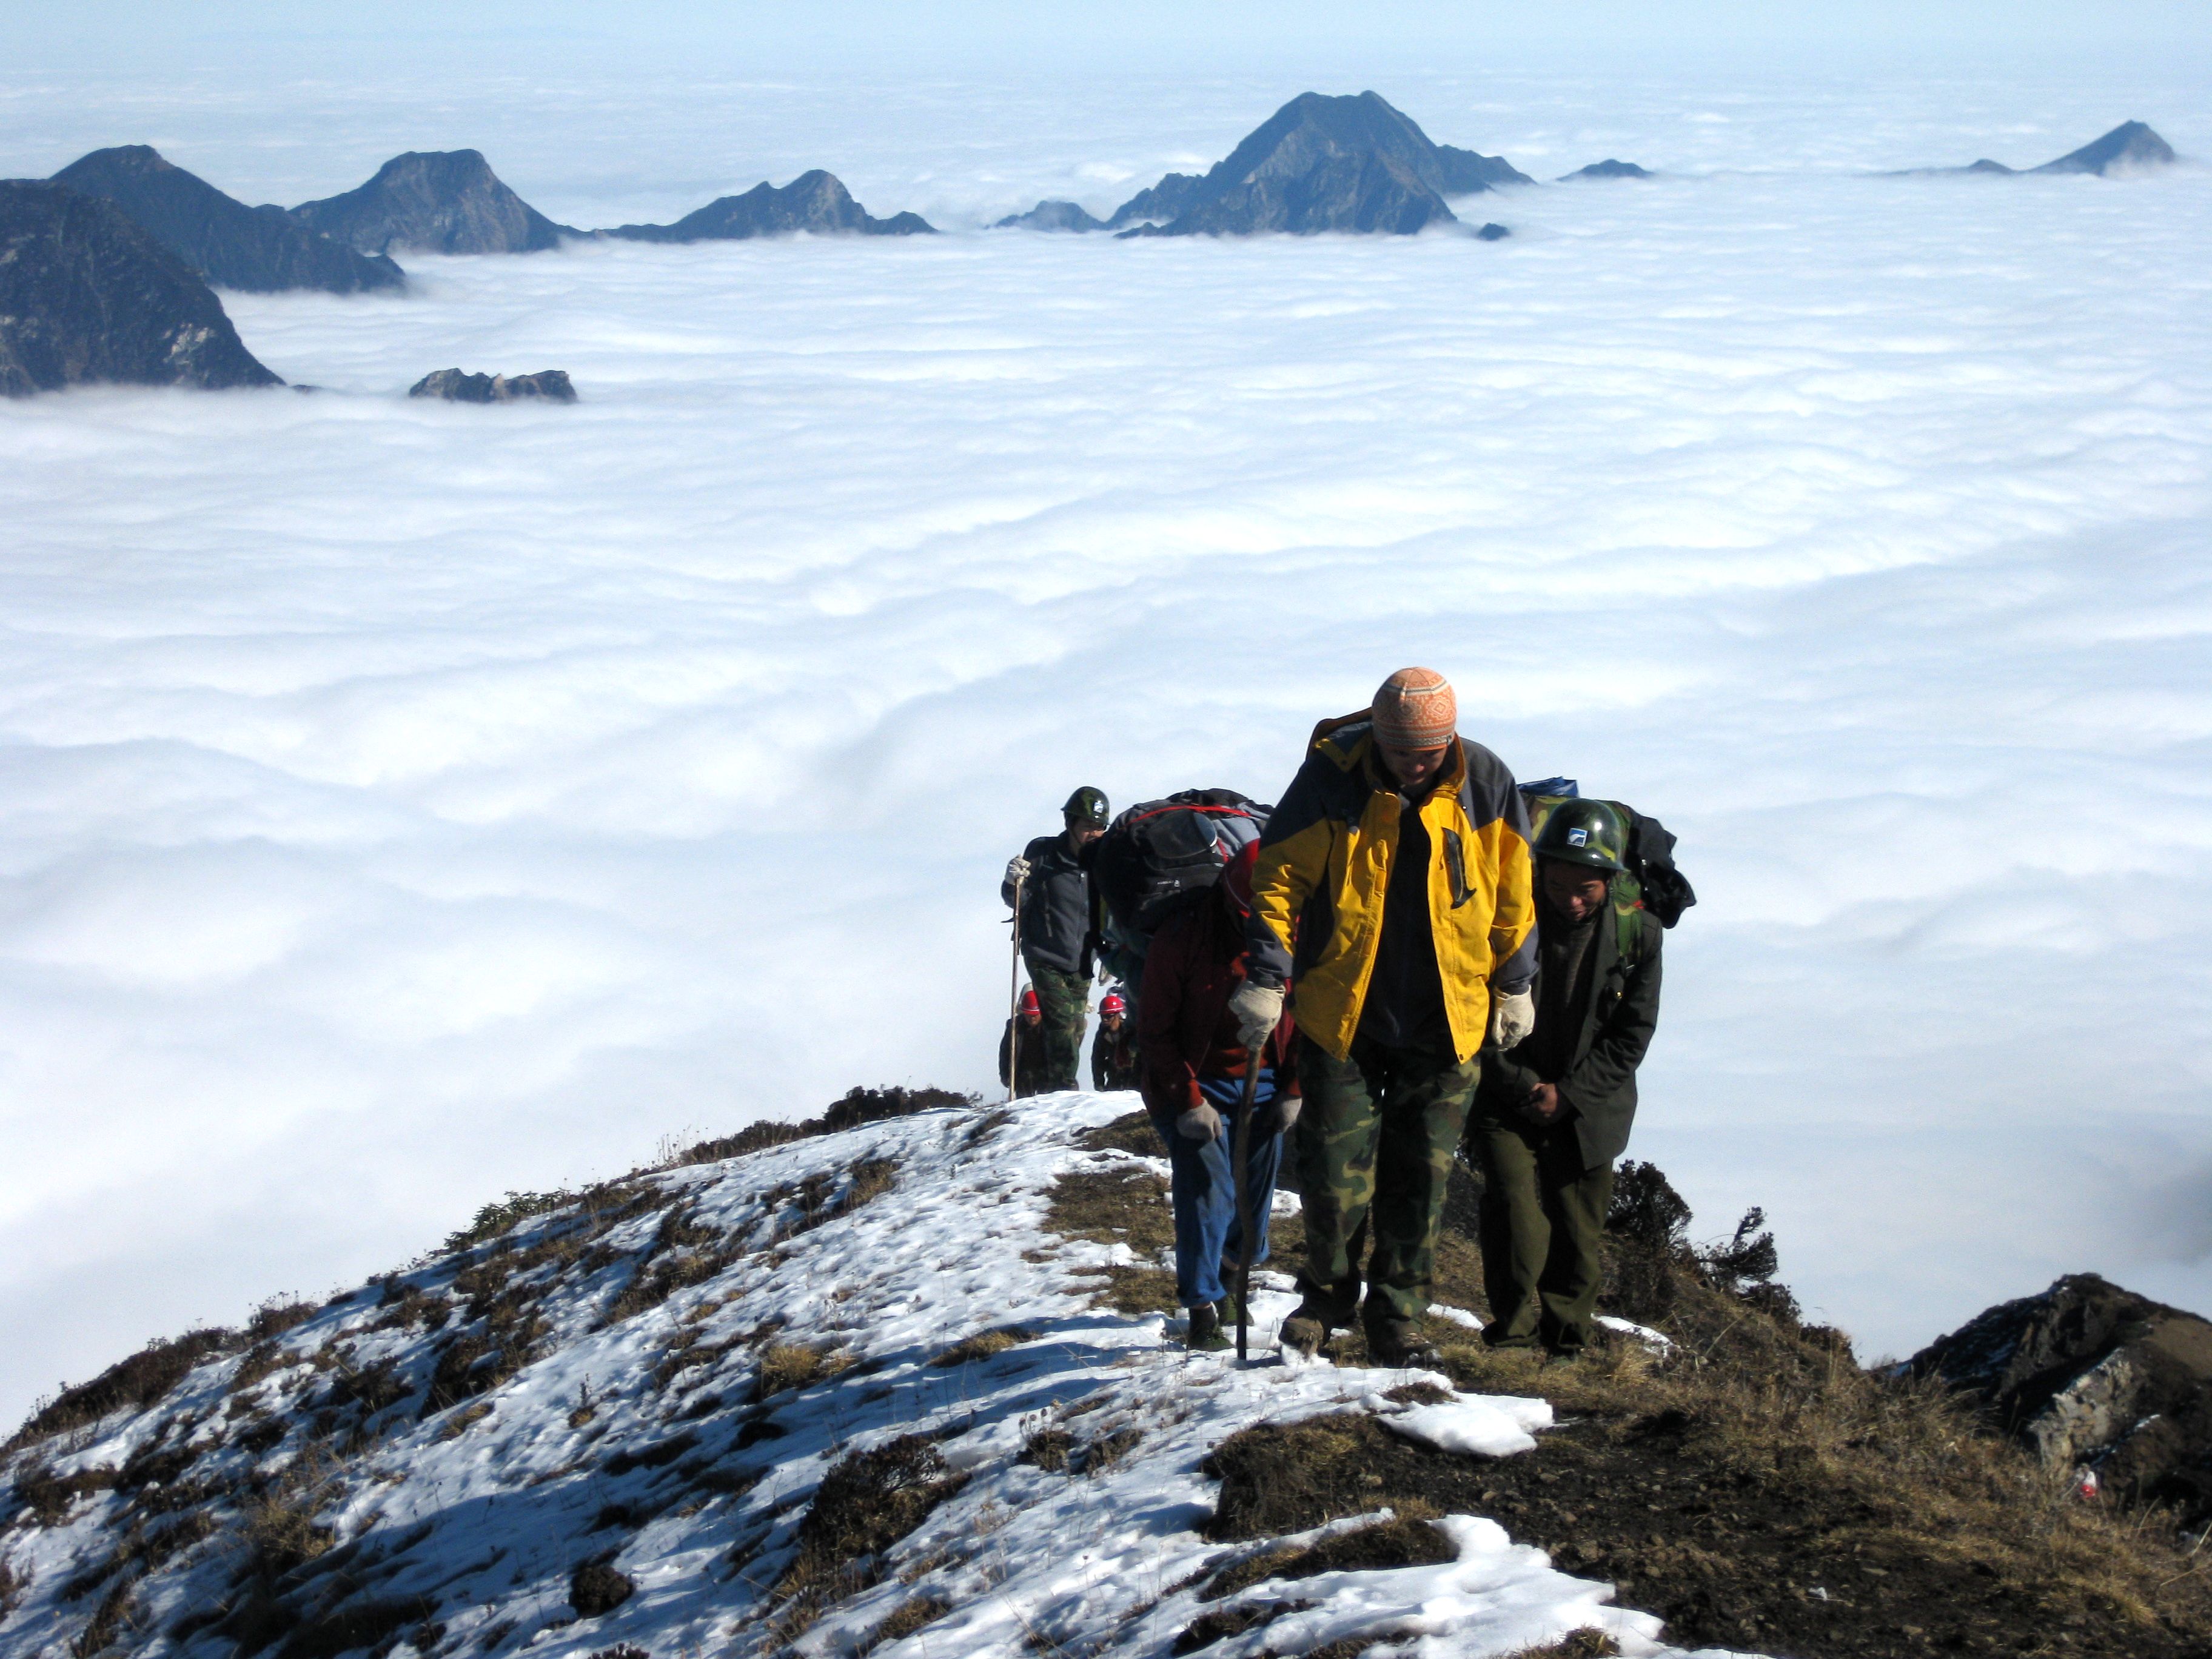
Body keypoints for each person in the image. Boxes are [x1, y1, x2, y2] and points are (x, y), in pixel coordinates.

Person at [1235, 668, 1536, 1366]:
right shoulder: (1332, 777)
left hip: (1450, 1015)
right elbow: (1279, 878)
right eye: (1400, 750)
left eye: (1426, 751)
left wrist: (1516, 983)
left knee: (1421, 1179)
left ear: (1449, 738)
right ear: (1378, 734)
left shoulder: (1486, 781)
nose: (1414, 763)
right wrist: (1267, 978)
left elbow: (1514, 889)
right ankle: (1326, 1299)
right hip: (1343, 1010)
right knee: (1331, 1174)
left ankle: (1399, 1316)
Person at [1469, 799, 1663, 1358]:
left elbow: (1632, 1033)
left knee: (1578, 1230)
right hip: (1507, 1093)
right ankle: (1511, 1335)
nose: (1571, 900)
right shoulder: (1504, 921)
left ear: (1610, 881)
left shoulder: (1639, 936)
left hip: (1590, 1106)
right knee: (1513, 1213)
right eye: (1558, 885)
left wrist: (1571, 1094)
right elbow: (1471, 1011)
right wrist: (1521, 1084)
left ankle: (1566, 1341)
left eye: (1586, 889)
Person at [1139, 843, 1300, 1351]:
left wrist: (1294, 1089)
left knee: (1254, 1199)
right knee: (1209, 1189)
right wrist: (1188, 1100)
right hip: (1194, 1080)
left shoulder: (1298, 930)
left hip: (1265, 1080)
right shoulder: (1182, 938)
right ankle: (1201, 1308)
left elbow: (1311, 1015)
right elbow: (1156, 1032)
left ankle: (1231, 1274)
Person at [1002, 787, 1110, 1093]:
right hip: (1044, 953)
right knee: (1062, 1021)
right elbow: (1018, 900)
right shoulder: (1043, 853)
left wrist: (1112, 949)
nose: (1095, 833)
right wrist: (1012, 883)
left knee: (1077, 1025)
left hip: (1084, 959)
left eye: (1100, 827)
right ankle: (1064, 1087)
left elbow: (1114, 905)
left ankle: (1049, 1084)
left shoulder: (1105, 861)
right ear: (1070, 822)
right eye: (1088, 825)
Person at [999, 987, 1053, 1099]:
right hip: (1023, 1073)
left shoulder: (1051, 1027)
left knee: (1046, 1101)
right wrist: (1005, 1075)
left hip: (1046, 1072)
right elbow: (1005, 1052)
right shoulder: (1014, 1026)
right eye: (1028, 1014)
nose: (1032, 1018)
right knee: (1023, 1099)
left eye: (1035, 1015)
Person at [1091, 991, 1139, 1091]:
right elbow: (1097, 1060)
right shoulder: (1102, 1035)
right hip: (1114, 1080)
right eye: (1103, 1016)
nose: (1105, 1020)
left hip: (1135, 1079)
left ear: (1117, 1015)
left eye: (1109, 1016)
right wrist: (1099, 1085)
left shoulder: (1130, 1032)